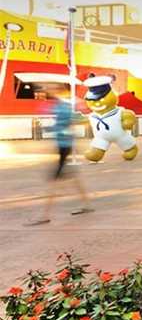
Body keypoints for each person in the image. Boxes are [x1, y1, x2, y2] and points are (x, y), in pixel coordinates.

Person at [26, 83, 93, 225]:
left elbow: (68, 123)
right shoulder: (60, 105)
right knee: (74, 179)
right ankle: (87, 205)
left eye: (52, 89)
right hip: (63, 146)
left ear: (60, 91)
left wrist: (50, 129)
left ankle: (44, 215)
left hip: (64, 147)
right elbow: (65, 123)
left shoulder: (64, 106)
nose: (49, 91)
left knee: (54, 182)